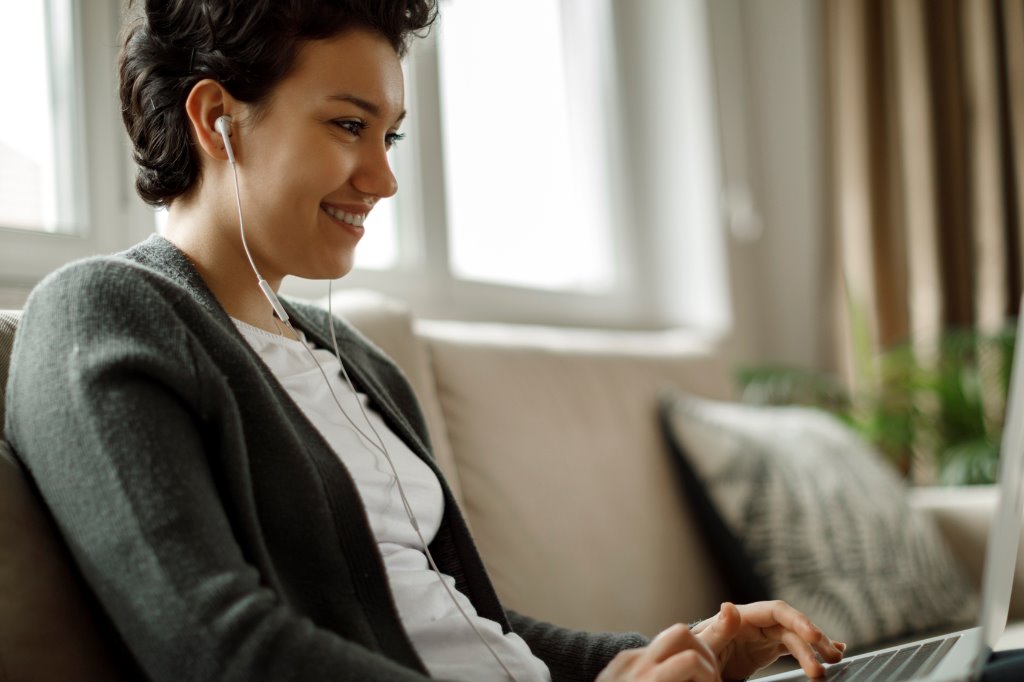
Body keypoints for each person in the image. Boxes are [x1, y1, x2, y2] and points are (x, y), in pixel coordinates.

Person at [4, 1, 847, 680]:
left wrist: (678, 651)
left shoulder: (358, 363)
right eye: (347, 125)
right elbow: (219, 648)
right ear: (216, 116)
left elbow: (466, 629)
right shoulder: (101, 314)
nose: (385, 177)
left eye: (391, 134)